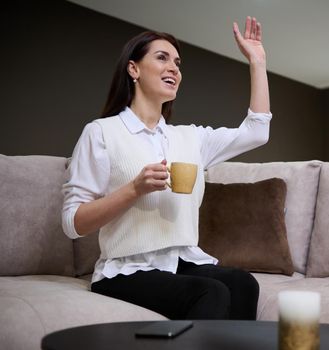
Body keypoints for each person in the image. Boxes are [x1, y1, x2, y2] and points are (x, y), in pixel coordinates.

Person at [61, 16, 271, 320]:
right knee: (210, 292)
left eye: (177, 62)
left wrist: (258, 61)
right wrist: (134, 189)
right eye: (162, 58)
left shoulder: (191, 138)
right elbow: (72, 222)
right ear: (133, 69)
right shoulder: (101, 133)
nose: (174, 68)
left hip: (181, 260)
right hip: (125, 269)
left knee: (243, 284)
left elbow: (257, 132)